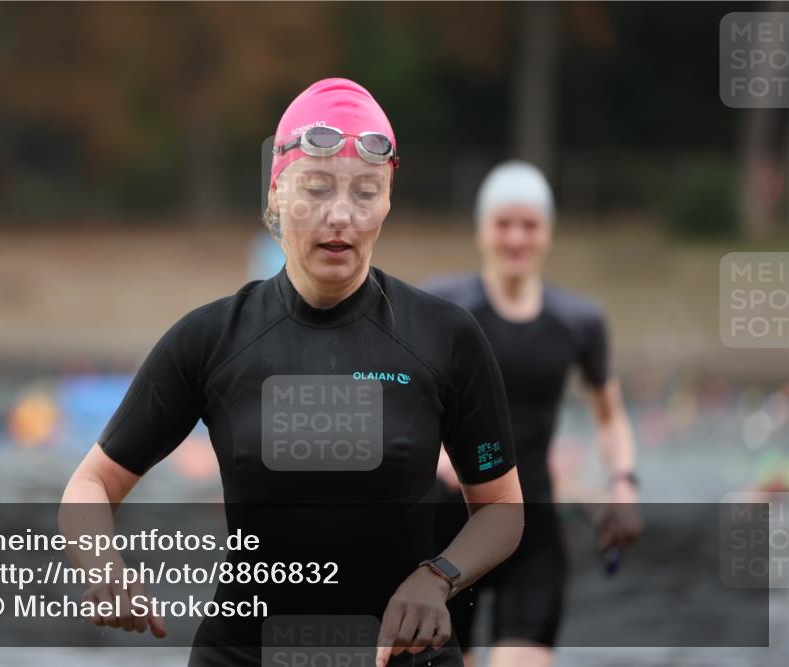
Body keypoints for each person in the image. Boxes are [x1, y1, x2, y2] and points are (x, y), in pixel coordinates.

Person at [60, 78, 524, 667]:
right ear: (277, 194)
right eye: (317, 188)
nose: (341, 215)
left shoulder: (444, 337)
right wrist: (103, 567)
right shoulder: (212, 339)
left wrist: (438, 578)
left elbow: (503, 509)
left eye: (365, 192)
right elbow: (90, 484)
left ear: (387, 200)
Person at [424, 160, 643, 667]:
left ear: (547, 233)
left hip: (533, 527)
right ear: (482, 231)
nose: (516, 238)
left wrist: (624, 485)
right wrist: (436, 456)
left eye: (529, 225)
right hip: (446, 531)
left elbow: (610, 417)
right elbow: (402, 398)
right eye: (504, 224)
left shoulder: (578, 321)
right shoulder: (444, 308)